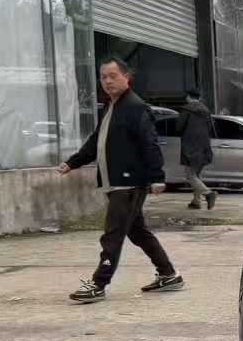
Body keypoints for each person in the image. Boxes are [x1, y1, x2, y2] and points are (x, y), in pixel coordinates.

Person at [58, 57, 183, 303]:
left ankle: (98, 283)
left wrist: (157, 177)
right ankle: (168, 274)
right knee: (138, 232)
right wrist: (73, 162)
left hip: (128, 183)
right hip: (117, 182)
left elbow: (150, 143)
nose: (107, 81)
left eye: (113, 76)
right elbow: (97, 140)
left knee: (112, 234)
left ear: (127, 77)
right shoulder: (112, 106)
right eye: (103, 77)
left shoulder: (136, 107)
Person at [179, 89, 217, 210]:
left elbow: (179, 127)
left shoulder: (186, 110)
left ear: (188, 97)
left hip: (191, 146)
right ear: (199, 98)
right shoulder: (206, 111)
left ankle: (208, 193)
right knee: (196, 175)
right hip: (204, 146)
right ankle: (196, 202)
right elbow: (211, 128)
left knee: (190, 175)